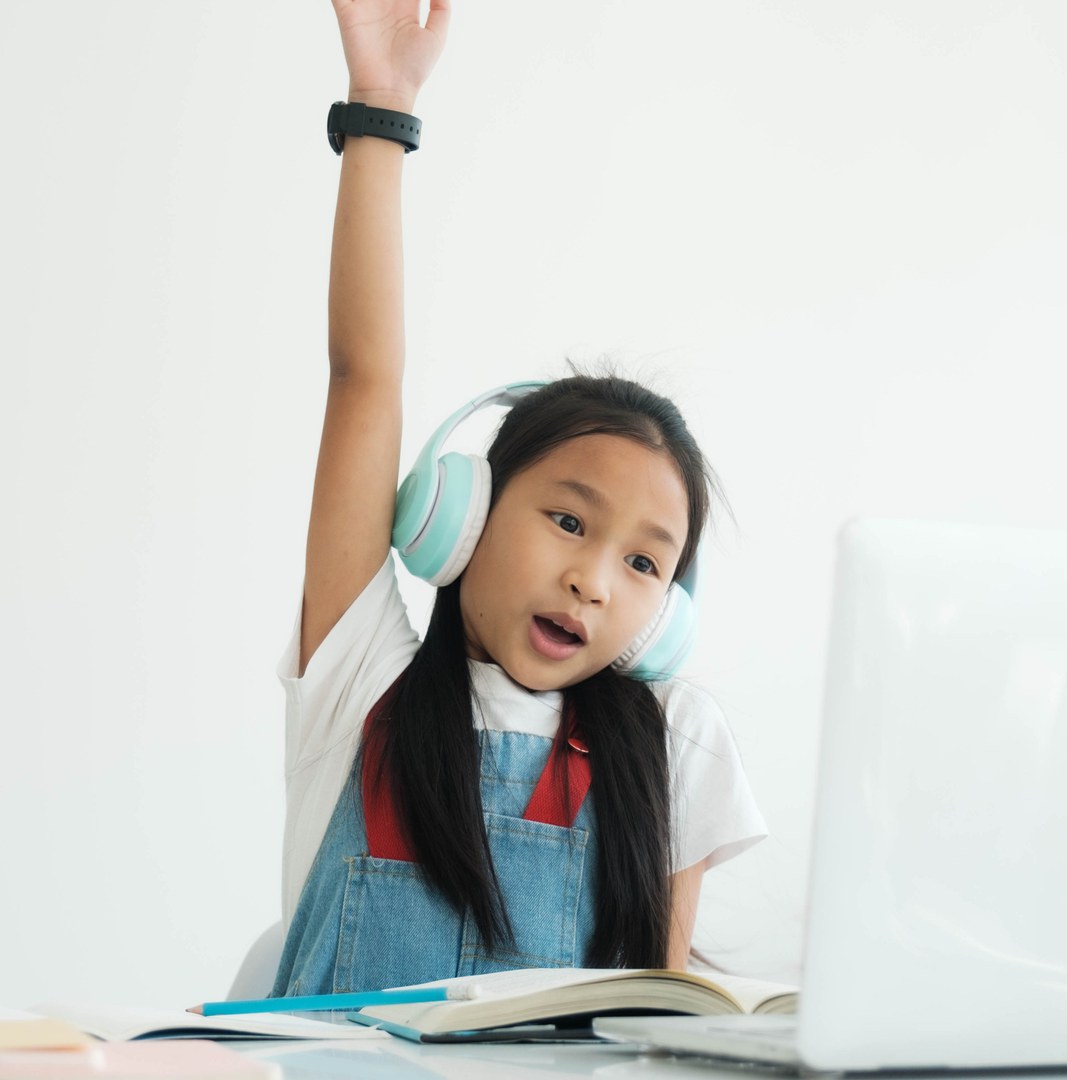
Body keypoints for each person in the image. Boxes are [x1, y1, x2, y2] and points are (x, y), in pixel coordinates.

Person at [269, 0, 767, 997]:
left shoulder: (676, 744)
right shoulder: (360, 682)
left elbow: (663, 1018)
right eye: (570, 520)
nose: (592, 580)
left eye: (642, 562)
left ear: (665, 613)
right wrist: (382, 110)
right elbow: (361, 377)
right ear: (462, 516)